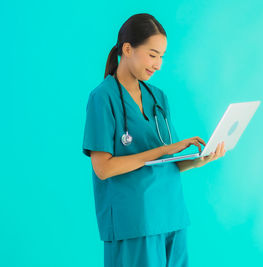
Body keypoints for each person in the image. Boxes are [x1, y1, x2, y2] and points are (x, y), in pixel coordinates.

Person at [82, 13, 226, 267]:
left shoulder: (158, 97)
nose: (158, 64)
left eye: (161, 56)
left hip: (173, 216)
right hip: (135, 222)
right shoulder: (102, 98)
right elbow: (103, 168)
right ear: (127, 49)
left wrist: (201, 158)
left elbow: (170, 161)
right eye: (152, 54)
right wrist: (161, 150)